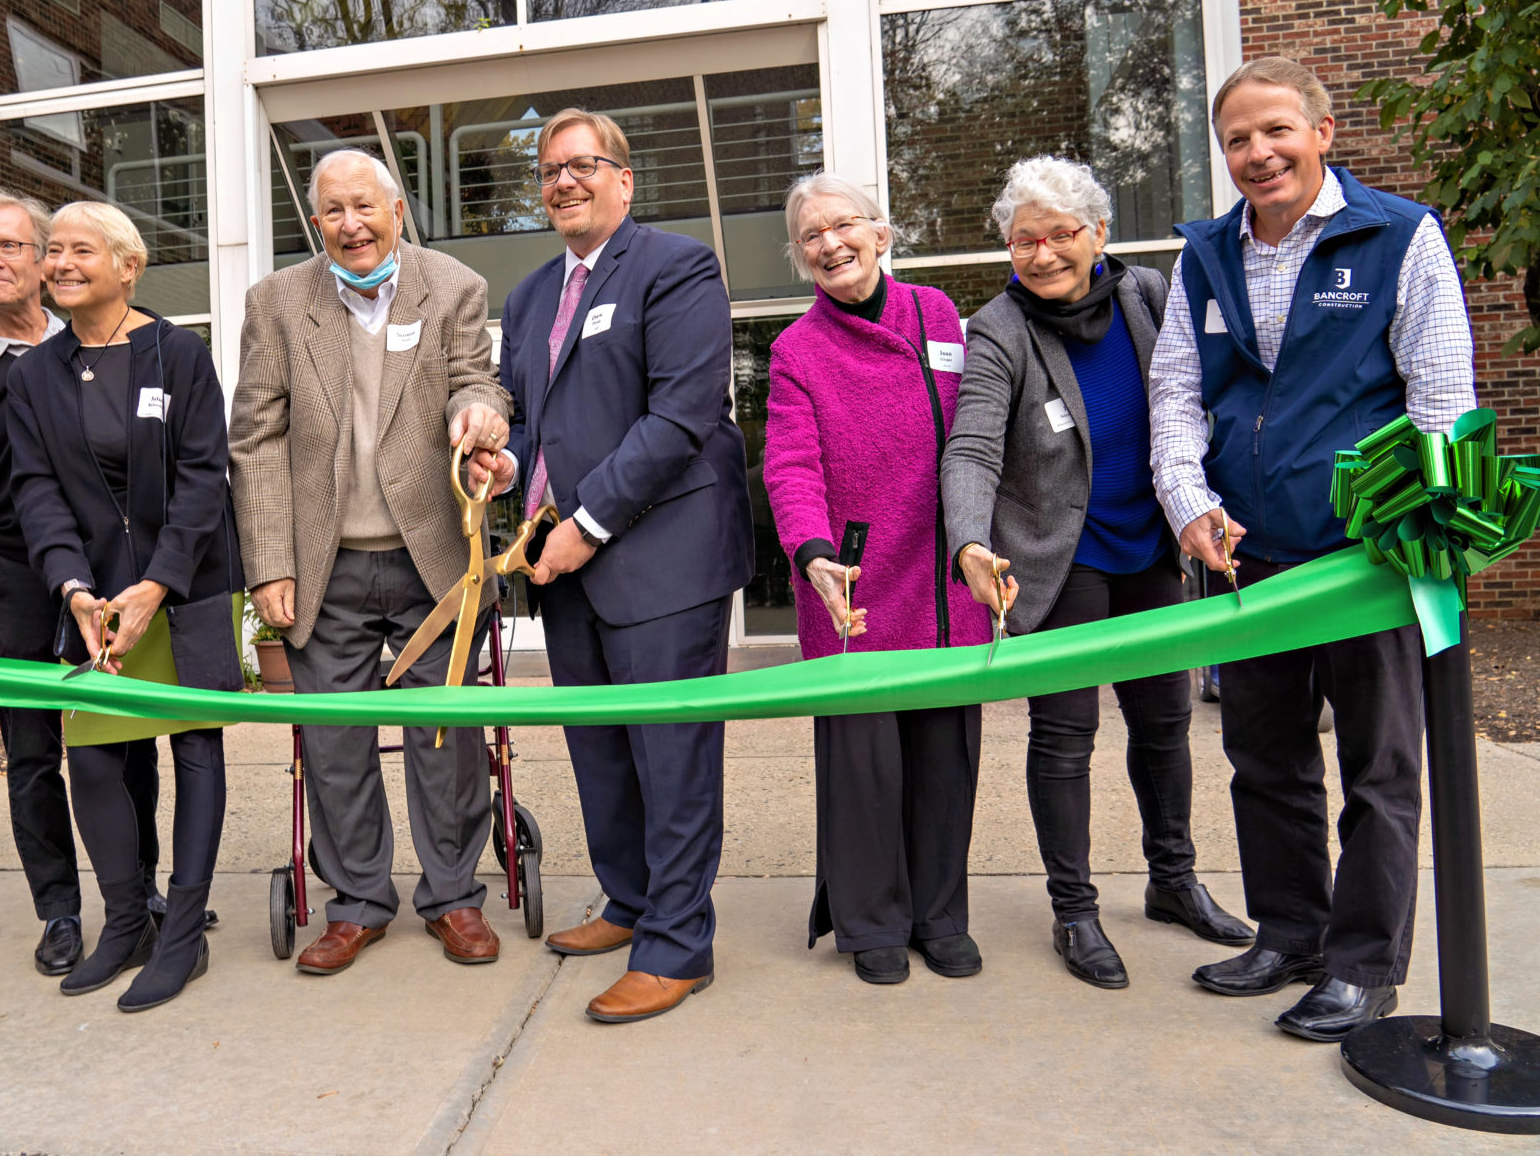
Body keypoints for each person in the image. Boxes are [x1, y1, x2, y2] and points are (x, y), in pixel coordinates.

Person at [1150, 57, 1475, 1040]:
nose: (1258, 153)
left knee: (1380, 765)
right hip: (1247, 559)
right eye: (1238, 140)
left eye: (1276, 131)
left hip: (1366, 563)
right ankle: (1290, 929)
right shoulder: (1205, 257)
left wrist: (1421, 537)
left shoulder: (1401, 236)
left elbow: (1443, 398)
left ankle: (1365, 963)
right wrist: (1188, 501)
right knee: (1264, 754)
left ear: (1322, 132)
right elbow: (1177, 394)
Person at [941, 157, 1254, 990]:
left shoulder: (1146, 296)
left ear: (1099, 235)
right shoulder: (998, 329)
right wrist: (970, 543)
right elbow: (971, 446)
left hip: (1150, 547)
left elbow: (1191, 400)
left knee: (1165, 724)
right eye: (1023, 241)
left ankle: (1173, 881)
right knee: (1066, 735)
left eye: (1060, 236)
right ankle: (1074, 910)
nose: (1041, 255)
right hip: (1061, 556)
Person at [227, 148, 514, 975]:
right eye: (332, 211)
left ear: (396, 210)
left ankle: (455, 896)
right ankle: (356, 903)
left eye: (364, 207)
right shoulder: (277, 302)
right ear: (316, 222)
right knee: (336, 739)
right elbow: (255, 438)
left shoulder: (451, 285)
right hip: (325, 561)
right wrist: (270, 562)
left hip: (434, 557)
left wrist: (477, 421)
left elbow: (478, 384)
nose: (350, 224)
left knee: (444, 737)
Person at [495, 107, 753, 1023]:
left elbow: (680, 417)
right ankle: (632, 901)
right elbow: (533, 422)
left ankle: (679, 944)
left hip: (661, 560)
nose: (565, 182)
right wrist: (507, 466)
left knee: (671, 756)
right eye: (550, 171)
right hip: (564, 567)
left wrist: (588, 524)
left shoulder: (676, 266)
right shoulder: (527, 298)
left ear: (624, 179)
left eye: (584, 165)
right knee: (601, 750)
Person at [7, 201, 240, 1013]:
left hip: (184, 589)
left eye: (80, 250)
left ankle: (182, 934)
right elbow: (36, 492)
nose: (60, 264)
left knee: (193, 750)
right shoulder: (32, 374)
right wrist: (74, 588)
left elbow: (206, 476)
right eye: (53, 251)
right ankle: (126, 920)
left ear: (127, 265)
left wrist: (158, 584)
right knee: (99, 757)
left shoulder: (178, 355)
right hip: (95, 600)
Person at [0, 189, 154, 979]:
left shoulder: (97, 342)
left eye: (10, 246)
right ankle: (59, 909)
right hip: (20, 581)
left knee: (127, 742)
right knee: (31, 756)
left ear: (46, 256)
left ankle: (141, 890)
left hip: (109, 573)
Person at [763, 172, 991, 987]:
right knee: (864, 769)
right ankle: (871, 921)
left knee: (944, 757)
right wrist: (813, 550)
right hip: (850, 583)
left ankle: (939, 914)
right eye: (811, 237)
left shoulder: (936, 314)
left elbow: (976, 430)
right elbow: (790, 464)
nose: (830, 244)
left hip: (940, 576)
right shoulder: (797, 350)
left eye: (843, 226)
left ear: (882, 233)